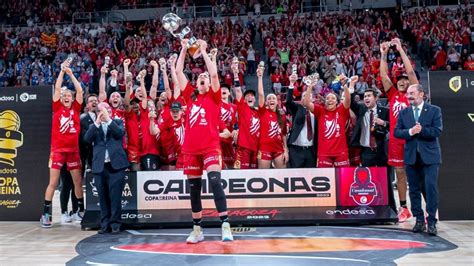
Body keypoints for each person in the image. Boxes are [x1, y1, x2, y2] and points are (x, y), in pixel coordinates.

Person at [175, 39, 233, 243]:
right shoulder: (190, 96)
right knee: (194, 190)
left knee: (215, 182)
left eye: (205, 77)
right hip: (190, 150)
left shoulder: (215, 97)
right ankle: (197, 229)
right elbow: (179, 71)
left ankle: (225, 225)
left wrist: (205, 52)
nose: (203, 77)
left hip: (210, 147)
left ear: (209, 83)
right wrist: (183, 48)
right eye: (200, 76)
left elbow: (215, 73)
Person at [41, 59, 84, 228]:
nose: (67, 97)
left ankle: (80, 210)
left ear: (72, 99)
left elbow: (80, 90)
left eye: (69, 96)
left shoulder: (76, 109)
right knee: (53, 182)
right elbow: (58, 88)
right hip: (58, 150)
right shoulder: (57, 108)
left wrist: (71, 74)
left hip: (73, 150)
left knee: (78, 182)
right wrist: (61, 71)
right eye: (65, 96)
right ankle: (46, 214)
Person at [394, 84, 443, 236]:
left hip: (430, 157)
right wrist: (410, 131)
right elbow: (397, 132)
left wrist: (422, 130)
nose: (408, 96)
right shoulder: (404, 113)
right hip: (411, 157)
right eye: (407, 94)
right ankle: (419, 219)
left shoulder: (434, 110)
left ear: (421, 94)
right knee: (414, 189)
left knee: (430, 187)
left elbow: (437, 131)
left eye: (412, 93)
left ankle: (432, 220)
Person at [380, 38, 418, 222]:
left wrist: (400, 49)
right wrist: (384, 53)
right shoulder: (393, 95)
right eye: (400, 80)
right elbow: (383, 76)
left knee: (416, 173)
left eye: (405, 80)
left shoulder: (413, 96)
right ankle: (404, 208)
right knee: (400, 174)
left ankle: (421, 209)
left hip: (412, 139)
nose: (403, 82)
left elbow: (410, 71)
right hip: (396, 140)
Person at [84, 102, 129, 234]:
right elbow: (87, 139)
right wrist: (97, 122)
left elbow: (120, 134)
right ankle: (105, 223)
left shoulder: (117, 122)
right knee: (102, 197)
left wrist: (109, 120)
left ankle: (115, 224)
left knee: (115, 196)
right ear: (97, 112)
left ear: (110, 111)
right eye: (101, 110)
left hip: (116, 166)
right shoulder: (94, 126)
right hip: (99, 166)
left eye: (106, 109)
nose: (104, 112)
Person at [302, 74, 353, 167]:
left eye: (333, 98)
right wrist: (310, 87)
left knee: (343, 179)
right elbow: (306, 103)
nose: (330, 100)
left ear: (337, 102)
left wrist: (344, 85)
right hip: (324, 154)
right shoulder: (320, 111)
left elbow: (348, 99)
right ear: (324, 102)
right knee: (325, 180)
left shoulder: (341, 110)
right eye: (328, 98)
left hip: (341, 153)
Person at [257, 64, 288, 168]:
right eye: (269, 99)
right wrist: (260, 77)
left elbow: (283, 135)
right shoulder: (263, 112)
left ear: (277, 102)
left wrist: (286, 150)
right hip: (264, 149)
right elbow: (261, 94)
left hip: (279, 150)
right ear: (266, 102)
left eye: (273, 98)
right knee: (263, 177)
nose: (271, 100)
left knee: (281, 176)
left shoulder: (282, 116)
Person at [350, 88, 389, 167]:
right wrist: (351, 86)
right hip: (366, 151)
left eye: (369, 96)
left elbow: (393, 126)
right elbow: (351, 102)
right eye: (364, 96)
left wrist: (383, 123)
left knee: (383, 177)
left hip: (381, 150)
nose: (366, 98)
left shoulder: (385, 111)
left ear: (376, 98)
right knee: (368, 177)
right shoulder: (360, 110)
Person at [286, 73, 317, 168]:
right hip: (296, 150)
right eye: (303, 96)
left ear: (313, 99)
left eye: (308, 96)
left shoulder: (317, 111)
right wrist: (291, 84)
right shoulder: (297, 108)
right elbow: (289, 101)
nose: (305, 98)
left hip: (311, 150)